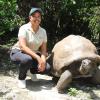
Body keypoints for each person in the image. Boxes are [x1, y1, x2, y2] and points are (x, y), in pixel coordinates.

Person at [10, 7, 51, 88]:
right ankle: (21, 78)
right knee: (27, 60)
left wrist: (42, 61)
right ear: (30, 18)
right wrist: (38, 58)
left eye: (38, 16)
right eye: (34, 16)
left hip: (33, 54)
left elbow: (43, 50)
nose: (37, 18)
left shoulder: (43, 31)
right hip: (18, 52)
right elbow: (22, 47)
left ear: (41, 18)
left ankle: (31, 72)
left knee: (47, 68)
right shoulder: (24, 28)